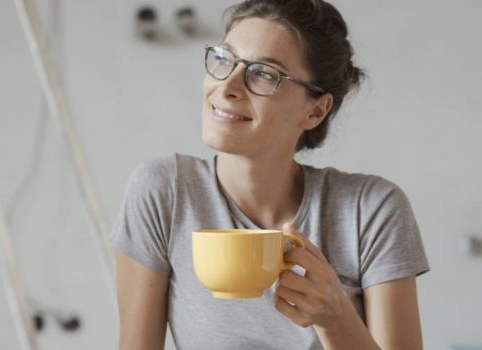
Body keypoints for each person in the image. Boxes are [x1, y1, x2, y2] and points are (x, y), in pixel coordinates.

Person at [109, 0, 430, 349]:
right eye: (224, 59)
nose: (227, 86)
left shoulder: (371, 210)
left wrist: (335, 316)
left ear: (316, 110)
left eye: (263, 73)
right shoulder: (164, 192)